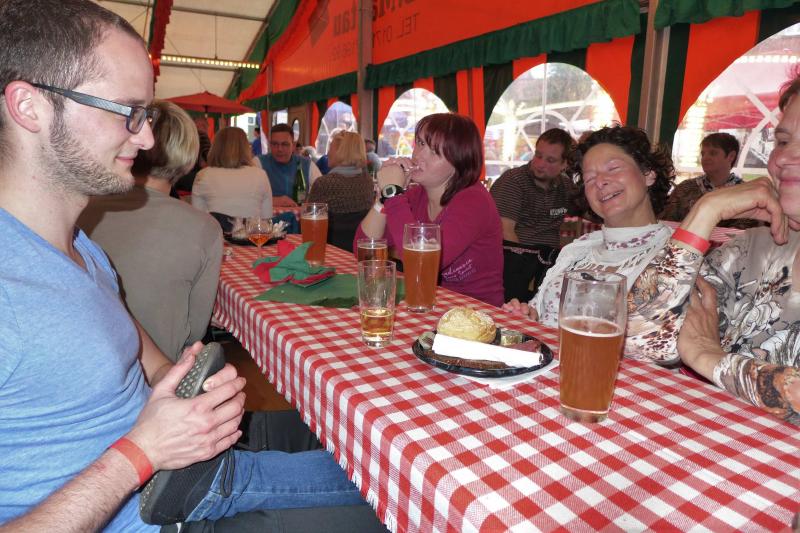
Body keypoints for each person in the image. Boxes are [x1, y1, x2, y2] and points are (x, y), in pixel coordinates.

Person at [0, 1, 388, 530]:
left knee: (366, 442)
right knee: (397, 493)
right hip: (161, 508)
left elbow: (114, 327)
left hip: (180, 464)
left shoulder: (76, 244)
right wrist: (142, 452)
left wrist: (173, 377)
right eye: (128, 111)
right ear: (29, 107)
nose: (146, 139)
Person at [628, 74, 800, 424]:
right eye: (783, 141)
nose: (785, 157)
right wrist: (705, 212)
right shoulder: (752, 249)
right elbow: (638, 338)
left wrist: (710, 357)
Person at [502, 126, 674, 360]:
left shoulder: (673, 256)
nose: (600, 182)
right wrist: (528, 317)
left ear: (648, 174)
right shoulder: (577, 250)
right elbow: (540, 315)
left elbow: (657, 349)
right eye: (589, 178)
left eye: (613, 168)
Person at [78, 100, 223, 362]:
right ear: (188, 156)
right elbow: (195, 331)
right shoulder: (205, 228)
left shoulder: (80, 208)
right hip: (158, 374)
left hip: (83, 363)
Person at [355, 113, 504, 307]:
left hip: (477, 311)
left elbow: (421, 266)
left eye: (433, 151)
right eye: (420, 143)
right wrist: (384, 198)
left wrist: (393, 195)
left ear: (459, 162)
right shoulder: (416, 195)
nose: (418, 155)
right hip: (429, 303)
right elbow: (364, 249)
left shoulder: (474, 201)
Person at [490, 128, 582, 303]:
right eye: (538, 155)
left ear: (564, 164)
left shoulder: (565, 186)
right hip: (512, 265)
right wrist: (528, 274)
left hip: (548, 265)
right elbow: (506, 234)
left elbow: (591, 212)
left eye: (550, 160)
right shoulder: (513, 181)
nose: (540, 164)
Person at [660, 132, 761, 229]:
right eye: (703, 154)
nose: (705, 158)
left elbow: (747, 231)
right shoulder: (684, 189)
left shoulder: (745, 194)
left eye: (713, 153)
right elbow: (666, 224)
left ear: (731, 156)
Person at [307, 131, 374, 251]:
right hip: (360, 248)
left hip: (330, 249)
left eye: (331, 149)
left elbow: (310, 224)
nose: (327, 153)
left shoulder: (324, 184)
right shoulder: (367, 181)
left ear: (341, 152)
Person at [192, 126, 273, 218]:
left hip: (215, 227)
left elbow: (197, 218)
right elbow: (267, 218)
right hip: (249, 227)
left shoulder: (203, 176)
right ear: (245, 148)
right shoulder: (260, 175)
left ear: (215, 147)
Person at [257, 124, 321, 207]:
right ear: (270, 145)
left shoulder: (308, 165)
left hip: (299, 214)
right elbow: (247, 196)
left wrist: (309, 200)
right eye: (275, 144)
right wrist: (273, 200)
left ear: (293, 146)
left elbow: (323, 193)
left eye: (285, 144)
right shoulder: (258, 163)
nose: (279, 149)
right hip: (268, 215)